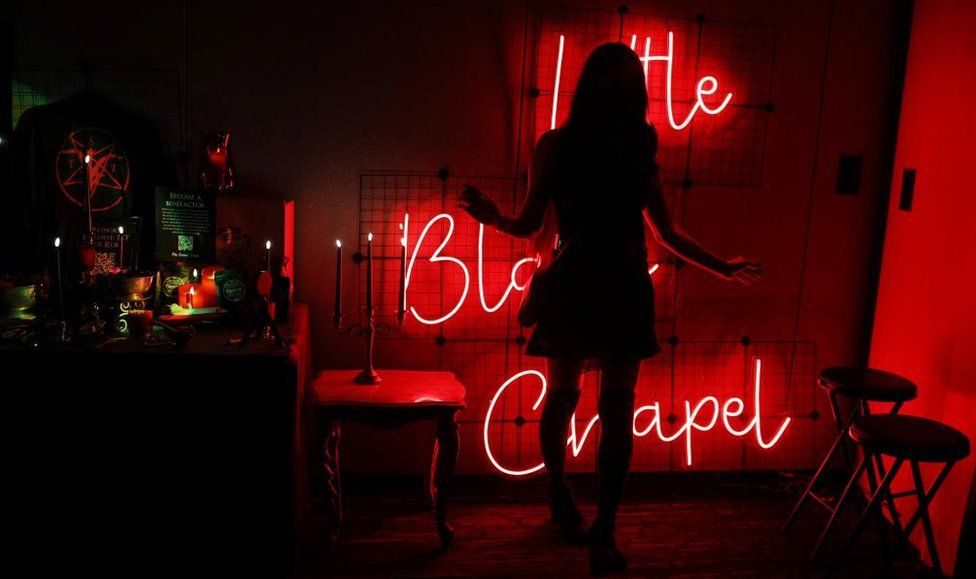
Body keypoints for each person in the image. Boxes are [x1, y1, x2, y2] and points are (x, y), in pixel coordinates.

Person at [459, 42, 762, 576]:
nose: (623, 89)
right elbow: (534, 223)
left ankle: (603, 525)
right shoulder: (562, 146)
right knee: (572, 399)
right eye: (615, 79)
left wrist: (721, 265)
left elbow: (664, 230)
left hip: (614, 287)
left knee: (606, 407)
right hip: (591, 285)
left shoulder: (627, 143)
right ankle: (567, 499)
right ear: (597, 84)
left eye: (630, 80)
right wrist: (494, 219)